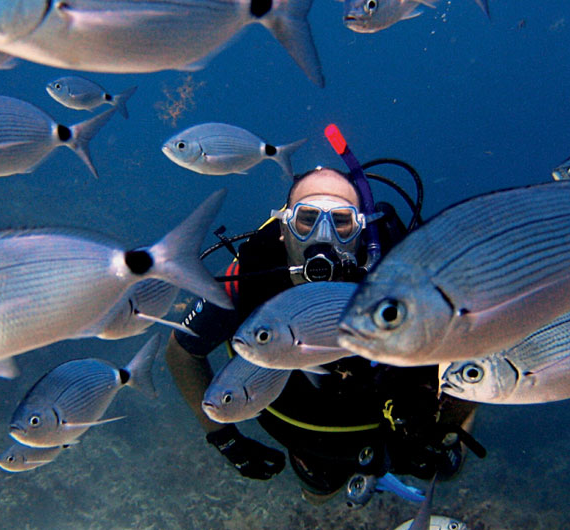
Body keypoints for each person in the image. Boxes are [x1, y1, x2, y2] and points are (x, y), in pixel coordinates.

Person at [166, 166, 481, 504]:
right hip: (304, 440)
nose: (324, 234)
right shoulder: (250, 277)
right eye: (307, 219)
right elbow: (182, 351)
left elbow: (475, 350)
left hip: (394, 432)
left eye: (341, 221)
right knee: (318, 494)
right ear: (284, 229)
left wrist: (446, 426)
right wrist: (225, 439)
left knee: (447, 471)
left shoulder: (402, 281)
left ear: (362, 231)